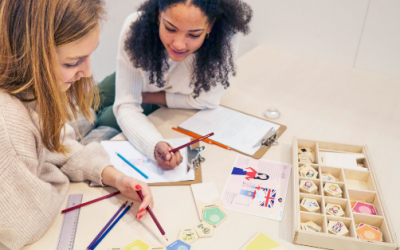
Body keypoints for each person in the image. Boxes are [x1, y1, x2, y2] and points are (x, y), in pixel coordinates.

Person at [0, 1, 153, 249]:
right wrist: (54, 172)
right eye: (72, 63)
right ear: (30, 55)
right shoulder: (8, 124)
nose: (88, 71)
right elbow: (24, 225)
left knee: (99, 125)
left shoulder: (27, 88)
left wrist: (114, 177)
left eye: (89, 56)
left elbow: (58, 143)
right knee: (107, 129)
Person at [95, 0, 252, 170]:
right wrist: (133, 96)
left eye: (193, 35)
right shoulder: (135, 27)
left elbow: (208, 100)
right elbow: (126, 103)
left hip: (154, 97)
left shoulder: (224, 39)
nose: (178, 44)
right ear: (159, 15)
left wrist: (154, 143)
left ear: (210, 25)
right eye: (170, 28)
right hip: (134, 78)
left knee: (103, 122)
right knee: (85, 102)